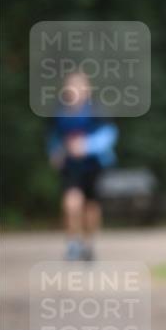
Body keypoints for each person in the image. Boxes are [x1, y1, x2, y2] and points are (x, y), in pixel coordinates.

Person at [47, 70, 118, 260]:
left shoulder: (97, 110)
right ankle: (72, 244)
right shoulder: (60, 112)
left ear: (87, 89)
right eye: (72, 85)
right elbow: (54, 136)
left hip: (93, 166)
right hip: (71, 167)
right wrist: (55, 152)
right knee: (72, 203)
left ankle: (89, 244)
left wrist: (85, 146)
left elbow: (109, 135)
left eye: (79, 85)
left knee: (91, 208)